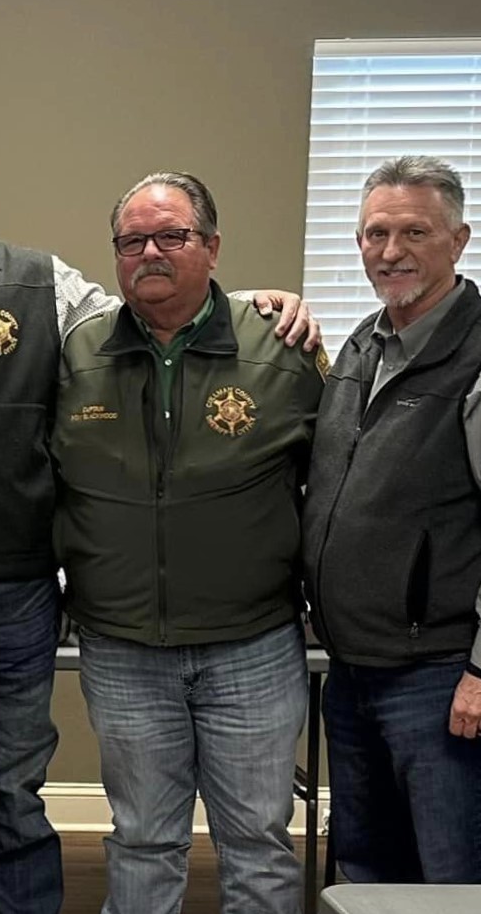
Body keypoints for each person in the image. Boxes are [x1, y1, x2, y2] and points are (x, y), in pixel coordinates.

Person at [0, 115, 317, 913]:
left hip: (10, 590)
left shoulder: (42, 285)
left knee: (12, 795)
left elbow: (152, 313)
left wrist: (252, 305)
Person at [302, 155, 481, 884]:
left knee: (461, 883)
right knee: (367, 877)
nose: (390, 251)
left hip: (447, 676)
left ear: (458, 240)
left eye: (414, 232)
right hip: (357, 672)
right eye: (375, 233)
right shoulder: (362, 348)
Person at [55, 172, 321, 912]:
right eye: (132, 240)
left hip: (251, 646)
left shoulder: (281, 347)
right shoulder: (75, 354)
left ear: (211, 246)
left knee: (257, 844)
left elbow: (335, 486)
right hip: (122, 648)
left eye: (171, 236)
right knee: (141, 839)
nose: (150, 252)